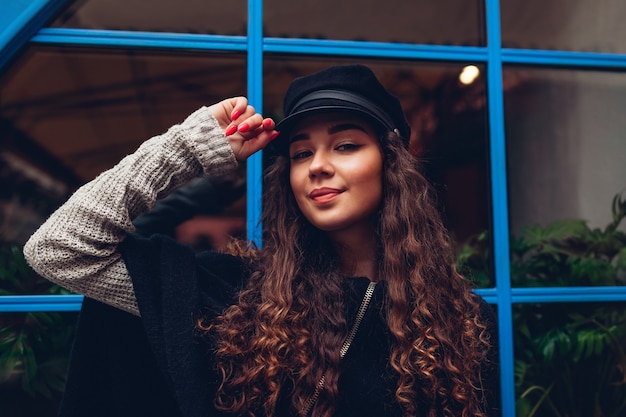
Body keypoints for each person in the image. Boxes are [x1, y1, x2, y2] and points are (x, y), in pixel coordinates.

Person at [24, 64, 499, 417]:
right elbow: (59, 248)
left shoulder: (461, 322)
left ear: (391, 164)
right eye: (300, 152)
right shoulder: (235, 296)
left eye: (347, 144)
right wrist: (190, 148)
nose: (317, 165)